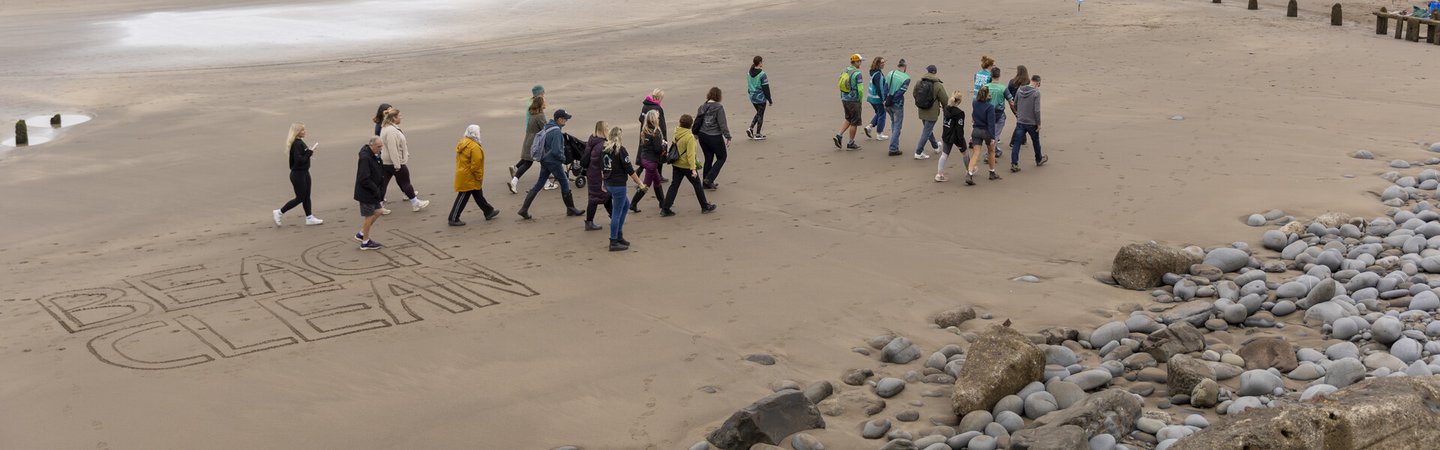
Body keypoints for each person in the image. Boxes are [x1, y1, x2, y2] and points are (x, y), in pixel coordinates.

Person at [517, 109, 584, 219]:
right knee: (564, 182)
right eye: (564, 119)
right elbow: (556, 151)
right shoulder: (557, 132)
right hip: (553, 161)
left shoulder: (547, 127)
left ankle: (524, 209)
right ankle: (571, 208)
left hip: (544, 160)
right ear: (559, 119)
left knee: (539, 183)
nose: (566, 121)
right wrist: (563, 158)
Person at [661, 114, 716, 216]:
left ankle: (665, 208)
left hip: (676, 163)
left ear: (680, 123)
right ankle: (704, 206)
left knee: (674, 185)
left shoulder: (677, 132)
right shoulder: (689, 137)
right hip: (686, 165)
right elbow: (691, 155)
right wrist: (693, 169)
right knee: (697, 185)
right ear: (690, 125)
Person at [378, 108, 430, 212]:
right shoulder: (391, 130)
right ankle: (415, 203)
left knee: (383, 184)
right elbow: (393, 149)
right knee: (406, 182)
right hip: (394, 162)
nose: (401, 117)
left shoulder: (387, 128)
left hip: (387, 161)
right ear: (394, 118)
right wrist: (397, 165)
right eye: (399, 116)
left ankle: (379, 207)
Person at [601, 127, 644, 252]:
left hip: (609, 183)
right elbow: (630, 170)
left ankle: (618, 235)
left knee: (626, 205)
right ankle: (613, 240)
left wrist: (602, 182)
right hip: (618, 184)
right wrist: (640, 183)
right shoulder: (620, 150)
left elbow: (601, 167)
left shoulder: (605, 149)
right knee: (616, 212)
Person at [447, 124, 499, 226]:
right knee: (463, 196)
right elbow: (476, 165)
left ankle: (488, 211)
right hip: (469, 176)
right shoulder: (474, 147)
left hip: (463, 172)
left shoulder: (463, 142)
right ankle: (453, 218)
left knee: (478, 193)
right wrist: (479, 176)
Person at [273, 122, 323, 226]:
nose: (305, 131)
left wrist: (309, 152)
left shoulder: (300, 142)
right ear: (297, 132)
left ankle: (309, 218)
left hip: (305, 173)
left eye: (304, 129)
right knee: (300, 198)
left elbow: (302, 157)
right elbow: (299, 160)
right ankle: (279, 212)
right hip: (298, 175)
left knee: (307, 196)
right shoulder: (296, 144)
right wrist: (309, 153)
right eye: (302, 130)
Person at [353, 137, 386, 250]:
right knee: (369, 216)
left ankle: (361, 234)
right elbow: (363, 178)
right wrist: (375, 189)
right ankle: (365, 242)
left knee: (379, 211)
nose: (381, 149)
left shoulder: (375, 155)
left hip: (373, 192)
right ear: (371, 146)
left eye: (381, 146)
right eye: (379, 147)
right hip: (366, 193)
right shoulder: (365, 157)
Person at [509, 94, 547, 194]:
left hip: (527, 140)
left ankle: (515, 170)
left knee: (526, 160)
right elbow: (545, 129)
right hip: (534, 142)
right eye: (544, 102)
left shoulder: (532, 114)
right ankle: (514, 181)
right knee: (528, 163)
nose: (545, 103)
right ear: (541, 104)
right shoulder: (540, 116)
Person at [695, 87, 731, 190]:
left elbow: (698, 121)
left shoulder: (702, 107)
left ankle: (706, 183)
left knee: (708, 158)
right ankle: (709, 179)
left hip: (702, 135)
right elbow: (722, 123)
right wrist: (728, 136)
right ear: (719, 96)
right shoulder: (719, 107)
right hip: (714, 136)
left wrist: (696, 134)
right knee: (722, 157)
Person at [1011, 74, 1047, 170]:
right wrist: (1039, 124)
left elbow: (1015, 103)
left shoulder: (1020, 89)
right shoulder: (1036, 93)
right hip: (1032, 123)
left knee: (1017, 143)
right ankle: (1038, 159)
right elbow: (1037, 110)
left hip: (1021, 121)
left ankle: (1014, 163)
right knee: (1035, 141)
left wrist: (1018, 113)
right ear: (1038, 83)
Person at [632, 110, 666, 212]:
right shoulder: (656, 132)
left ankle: (662, 202)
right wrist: (664, 146)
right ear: (655, 119)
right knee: (646, 185)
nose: (659, 119)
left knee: (657, 180)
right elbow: (657, 149)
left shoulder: (644, 130)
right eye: (657, 117)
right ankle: (633, 203)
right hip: (651, 162)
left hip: (644, 159)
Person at [581, 121, 612, 231]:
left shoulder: (592, 140)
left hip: (592, 173)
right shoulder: (602, 145)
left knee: (604, 196)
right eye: (607, 127)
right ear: (603, 130)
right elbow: (603, 162)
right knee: (598, 197)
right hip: (597, 175)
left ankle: (614, 217)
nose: (608, 129)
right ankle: (589, 222)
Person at [913, 65, 948, 160]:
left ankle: (936, 147)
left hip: (921, 110)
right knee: (927, 131)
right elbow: (945, 99)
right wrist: (945, 109)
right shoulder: (938, 85)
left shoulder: (919, 82)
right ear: (935, 72)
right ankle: (918, 152)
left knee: (927, 129)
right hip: (932, 112)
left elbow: (914, 94)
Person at [966, 87, 1000, 185]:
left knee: (976, 153)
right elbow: (991, 123)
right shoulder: (990, 107)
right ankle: (992, 172)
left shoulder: (975, 103)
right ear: (987, 95)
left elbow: (974, 114)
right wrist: (993, 137)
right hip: (986, 132)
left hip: (976, 130)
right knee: (991, 151)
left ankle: (969, 173)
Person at [833, 54, 865, 150]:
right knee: (854, 122)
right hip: (854, 101)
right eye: (860, 61)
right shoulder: (857, 74)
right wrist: (860, 99)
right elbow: (860, 89)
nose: (861, 63)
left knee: (848, 118)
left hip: (844, 99)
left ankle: (839, 135)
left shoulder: (845, 70)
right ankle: (851, 143)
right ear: (856, 62)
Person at [637, 89, 668, 182]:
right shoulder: (658, 108)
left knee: (646, 153)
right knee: (658, 154)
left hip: (644, 133)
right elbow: (661, 123)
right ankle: (659, 175)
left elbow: (641, 118)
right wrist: (663, 137)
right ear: (659, 97)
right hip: (655, 134)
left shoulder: (645, 106)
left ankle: (638, 173)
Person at [936, 92, 966, 182]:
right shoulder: (959, 113)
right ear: (960, 101)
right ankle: (969, 170)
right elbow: (960, 127)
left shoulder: (946, 109)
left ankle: (939, 174)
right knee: (965, 153)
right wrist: (960, 140)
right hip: (956, 136)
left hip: (946, 134)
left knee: (944, 155)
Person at [885, 59, 912, 156]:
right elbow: (901, 92)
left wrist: (886, 99)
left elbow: (886, 87)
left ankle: (895, 145)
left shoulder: (890, 73)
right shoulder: (906, 78)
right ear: (905, 67)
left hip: (887, 103)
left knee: (893, 123)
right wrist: (893, 100)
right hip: (897, 104)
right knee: (897, 126)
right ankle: (893, 148)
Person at [746, 56, 773, 140]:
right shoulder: (762, 74)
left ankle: (751, 129)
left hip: (752, 97)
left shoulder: (749, 73)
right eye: (762, 62)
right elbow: (766, 88)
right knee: (760, 114)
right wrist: (769, 99)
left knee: (759, 113)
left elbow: (749, 85)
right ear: (760, 63)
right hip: (760, 97)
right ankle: (757, 133)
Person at [984, 67, 1008, 157]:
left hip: (987, 114)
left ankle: (996, 150)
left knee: (991, 133)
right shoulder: (1003, 88)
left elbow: (979, 100)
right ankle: (988, 154)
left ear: (991, 75)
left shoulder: (985, 87)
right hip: (999, 114)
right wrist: (1015, 111)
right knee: (995, 135)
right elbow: (1011, 101)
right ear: (999, 75)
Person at [864, 56, 889, 141]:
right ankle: (879, 134)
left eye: (884, 62)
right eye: (882, 63)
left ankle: (869, 127)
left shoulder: (873, 72)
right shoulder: (878, 74)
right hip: (877, 98)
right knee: (882, 114)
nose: (883, 64)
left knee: (879, 113)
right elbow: (879, 88)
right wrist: (883, 100)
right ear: (878, 64)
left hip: (871, 98)